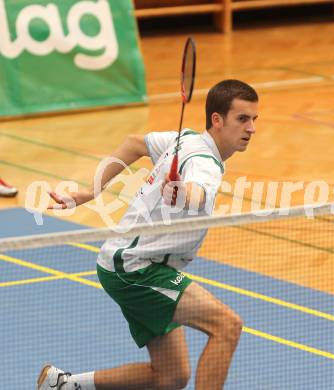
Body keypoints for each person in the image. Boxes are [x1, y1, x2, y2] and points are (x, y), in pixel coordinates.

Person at [37, 79, 259, 390]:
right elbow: (196, 192)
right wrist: (185, 192)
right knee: (227, 326)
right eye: (242, 119)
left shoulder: (186, 140)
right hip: (137, 269)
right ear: (217, 120)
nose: (251, 128)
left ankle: (61, 385)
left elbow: (133, 144)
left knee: (171, 377)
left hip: (128, 263)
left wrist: (91, 192)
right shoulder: (204, 162)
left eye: (254, 120)